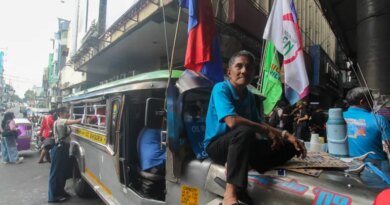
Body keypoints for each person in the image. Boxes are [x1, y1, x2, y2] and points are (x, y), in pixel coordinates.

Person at [204, 50, 306, 205]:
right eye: (239, 66)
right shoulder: (220, 89)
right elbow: (232, 121)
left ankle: (243, 163)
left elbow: (261, 123)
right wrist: (265, 131)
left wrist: (287, 135)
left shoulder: (249, 96)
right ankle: (230, 193)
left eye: (249, 67)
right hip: (218, 146)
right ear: (229, 72)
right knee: (245, 131)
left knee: (290, 146)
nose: (244, 71)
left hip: (242, 144)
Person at [343, 87, 390, 173]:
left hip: (343, 167)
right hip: (375, 170)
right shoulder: (379, 120)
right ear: (362, 102)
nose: (373, 103)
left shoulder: (337, 118)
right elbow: (388, 146)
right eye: (371, 100)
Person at [48, 107, 82, 203]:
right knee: (56, 173)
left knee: (62, 173)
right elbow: (76, 121)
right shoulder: (59, 121)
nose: (68, 114)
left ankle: (61, 192)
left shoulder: (63, 122)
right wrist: (83, 119)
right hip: (59, 149)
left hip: (63, 149)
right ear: (60, 113)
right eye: (67, 112)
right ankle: (53, 196)